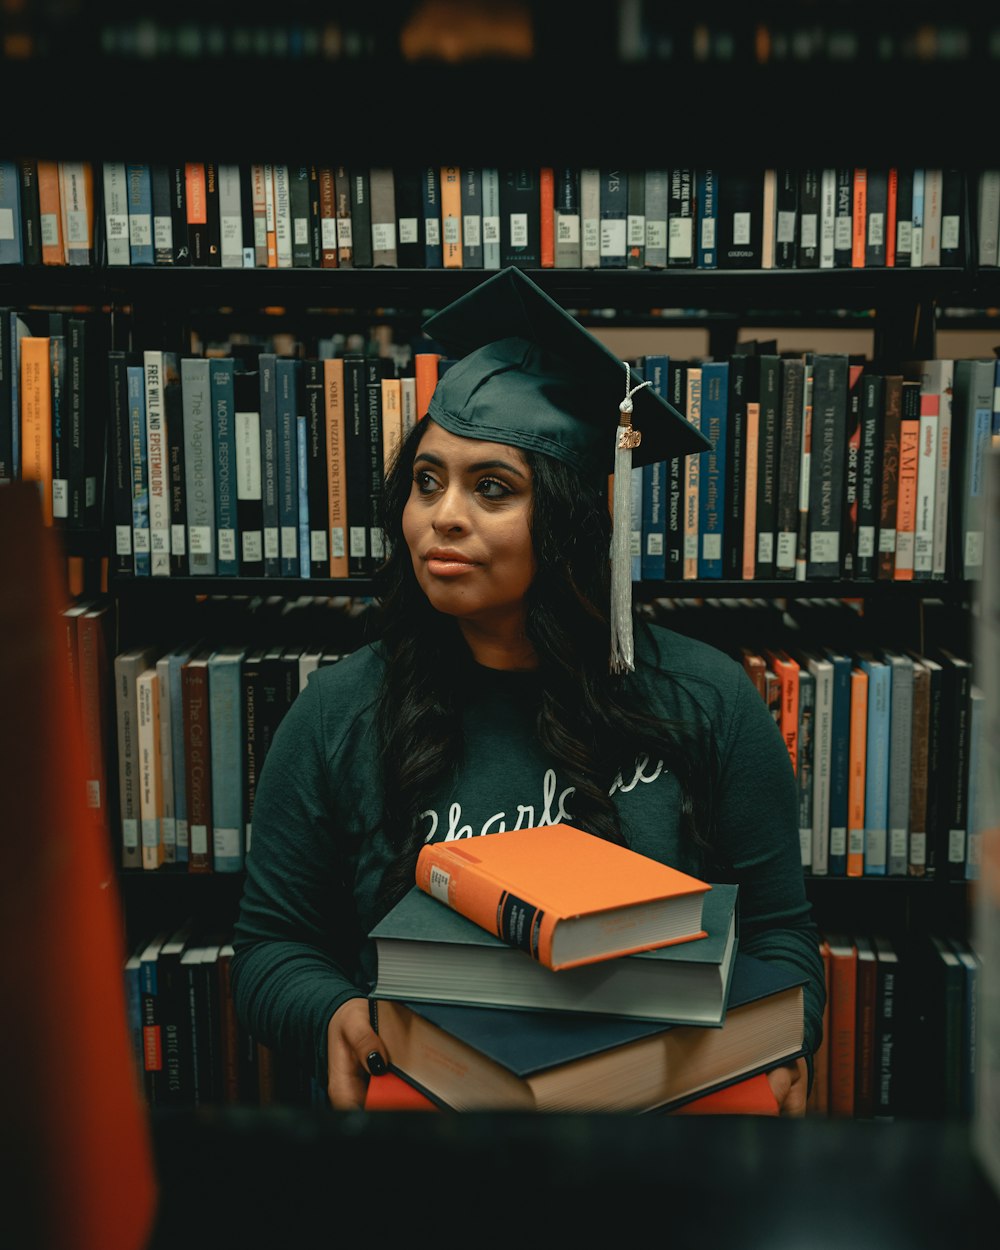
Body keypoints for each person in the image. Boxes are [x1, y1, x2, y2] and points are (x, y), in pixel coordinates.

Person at [231, 267, 826, 1115]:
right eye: (427, 481)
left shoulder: (705, 700)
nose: (442, 516)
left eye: (493, 488)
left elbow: (780, 933)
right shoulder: (341, 712)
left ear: (571, 523)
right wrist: (328, 1010)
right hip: (429, 1128)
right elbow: (271, 946)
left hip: (658, 1126)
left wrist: (781, 1035)